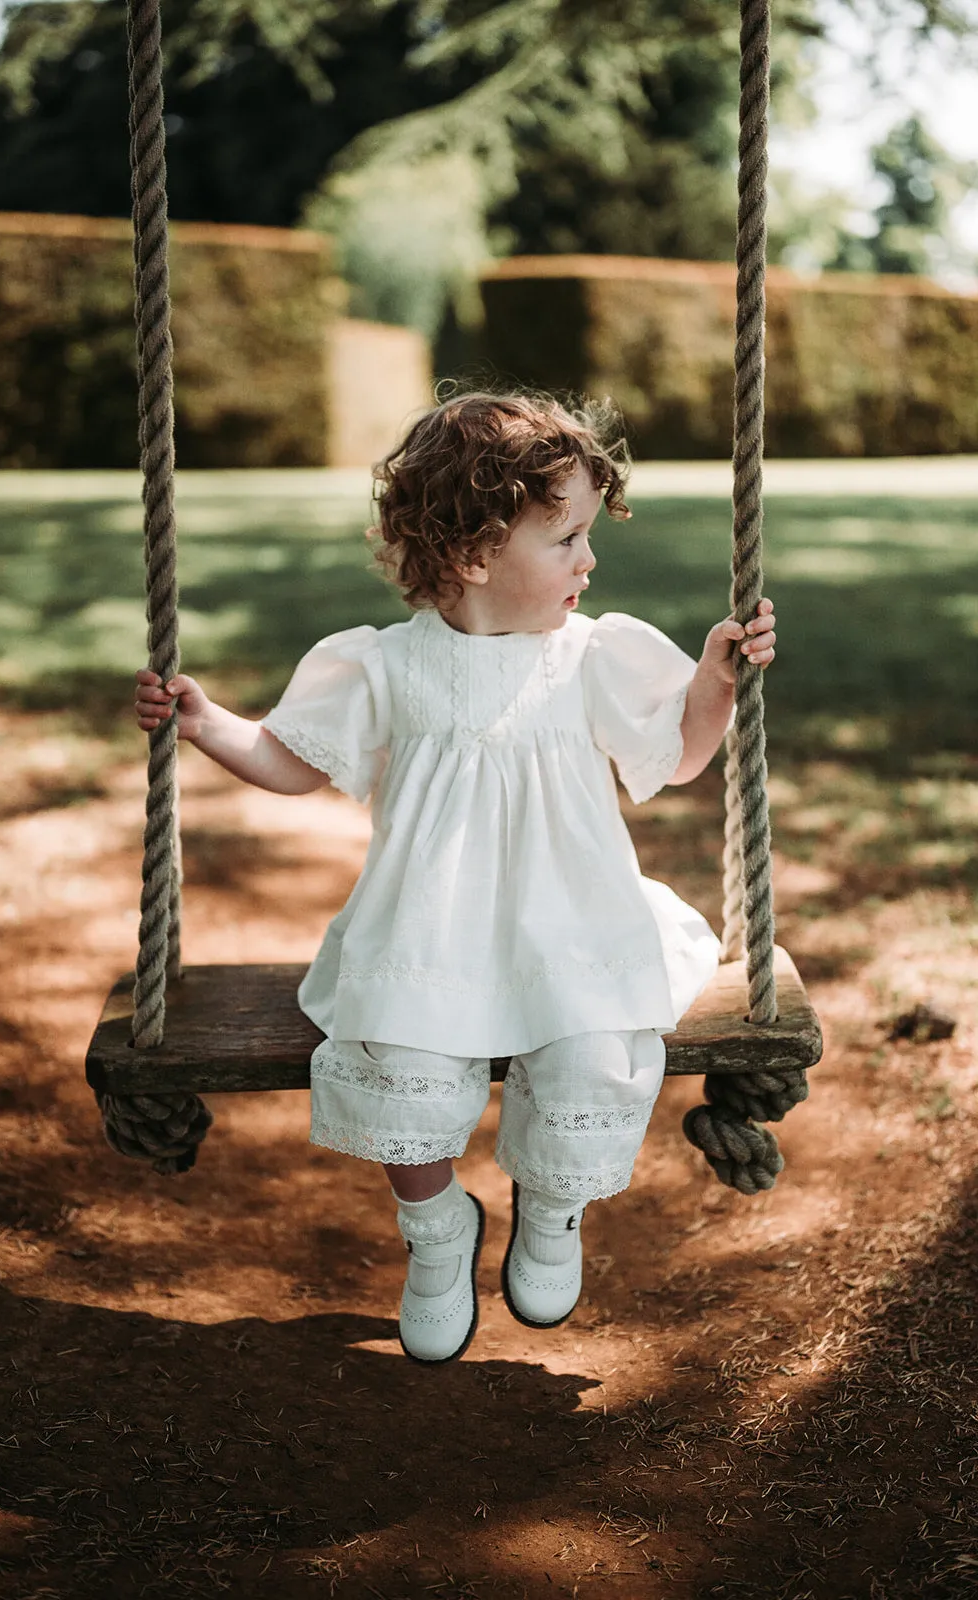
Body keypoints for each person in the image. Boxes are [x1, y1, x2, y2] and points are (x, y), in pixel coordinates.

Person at [134, 391, 776, 1365]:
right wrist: (204, 721)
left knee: (595, 1053)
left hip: (571, 926)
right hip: (428, 930)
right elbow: (290, 761)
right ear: (475, 555)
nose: (587, 561)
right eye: (563, 539)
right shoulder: (385, 668)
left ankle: (551, 1208)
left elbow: (678, 758)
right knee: (396, 1068)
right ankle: (437, 1235)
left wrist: (713, 683)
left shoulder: (590, 655)